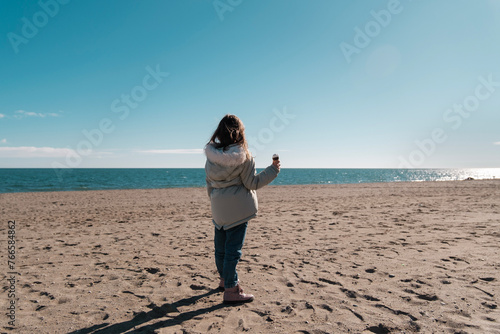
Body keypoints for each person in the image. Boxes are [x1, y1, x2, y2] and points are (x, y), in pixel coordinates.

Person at [204, 114, 280, 304]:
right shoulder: (244, 156)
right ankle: (231, 289)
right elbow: (252, 183)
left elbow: (209, 184)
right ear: (239, 132)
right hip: (238, 210)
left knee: (220, 248)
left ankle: (224, 280)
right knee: (233, 251)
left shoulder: (212, 158)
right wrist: (273, 170)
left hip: (218, 208)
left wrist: (216, 200)